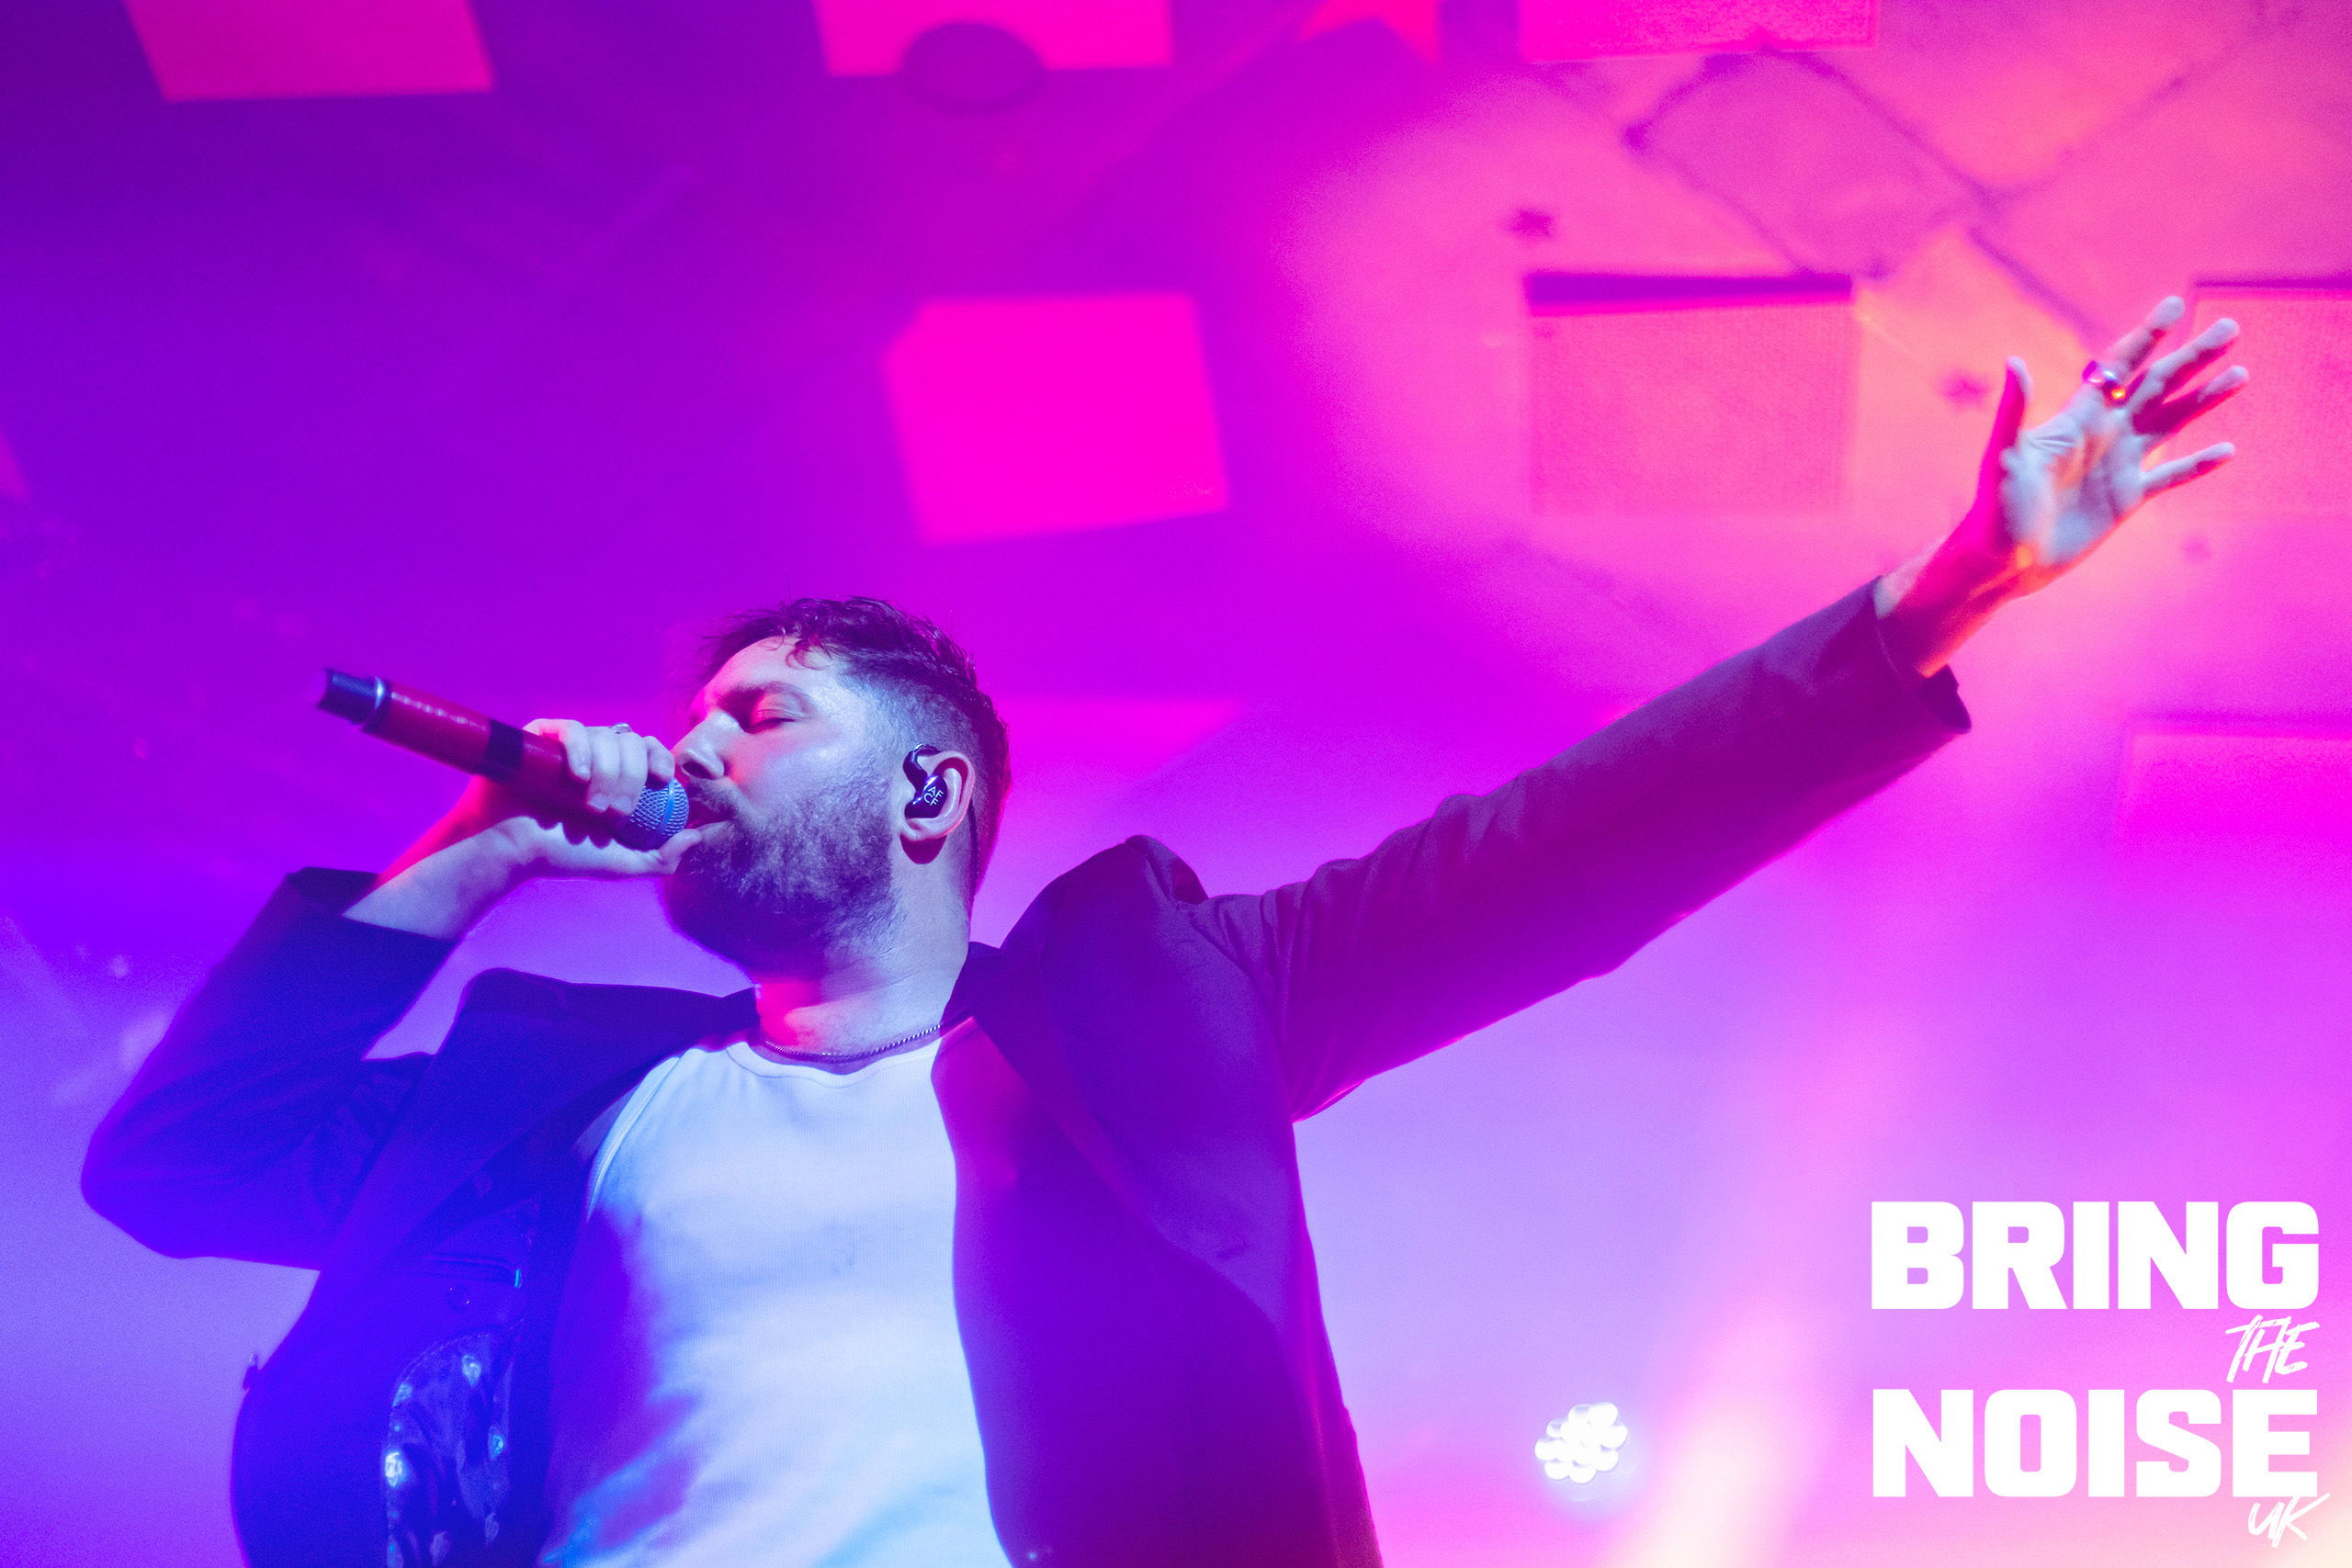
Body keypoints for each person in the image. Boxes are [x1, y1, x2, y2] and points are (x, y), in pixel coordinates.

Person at [85, 300, 2247, 1568]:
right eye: (695, 717)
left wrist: (1943, 597)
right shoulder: (569, 1101)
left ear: (927, 795)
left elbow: (1555, 855)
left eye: (763, 712)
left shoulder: (1156, 1012)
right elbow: (179, 1162)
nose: (697, 745)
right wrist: (481, 837)